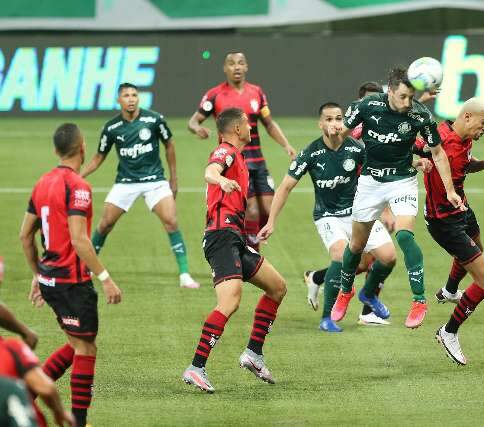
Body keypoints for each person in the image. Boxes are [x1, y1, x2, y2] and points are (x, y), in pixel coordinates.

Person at [332, 67, 463, 329]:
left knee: (404, 235)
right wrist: (338, 131)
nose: (406, 103)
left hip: (402, 181)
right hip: (370, 182)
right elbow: (341, 135)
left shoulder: (419, 114)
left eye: (411, 97)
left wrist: (450, 190)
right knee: (356, 246)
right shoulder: (368, 106)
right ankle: (345, 292)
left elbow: (437, 153)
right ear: (389, 91)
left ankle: (419, 301)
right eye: (402, 96)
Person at [258, 102, 397, 332]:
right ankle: (327, 318)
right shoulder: (310, 153)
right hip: (328, 216)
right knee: (342, 257)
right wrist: (271, 221)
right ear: (320, 124)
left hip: (358, 213)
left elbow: (377, 177)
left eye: (339, 118)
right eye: (330, 119)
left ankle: (366, 293)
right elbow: (284, 187)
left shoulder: (356, 148)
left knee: (388, 257)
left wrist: (387, 210)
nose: (335, 124)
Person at [20, 123, 122, 426]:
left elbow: (25, 235)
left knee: (76, 341)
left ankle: (28, 393)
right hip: (71, 282)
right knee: (85, 347)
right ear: (83, 148)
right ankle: (79, 421)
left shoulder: (42, 182)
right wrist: (105, 278)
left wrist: (38, 274)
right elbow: (80, 240)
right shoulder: (78, 186)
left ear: (55, 150)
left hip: (51, 279)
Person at [182, 108, 287, 393]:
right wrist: (221, 180)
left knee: (277, 287)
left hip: (235, 238)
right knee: (229, 302)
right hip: (221, 238)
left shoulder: (239, 156)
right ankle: (196, 368)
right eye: (248, 123)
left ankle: (253, 354)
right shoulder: (225, 151)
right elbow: (210, 170)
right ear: (239, 128)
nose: (252, 127)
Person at [415, 98, 484, 365]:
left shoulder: (465, 140)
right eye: (483, 124)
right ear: (468, 117)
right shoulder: (437, 139)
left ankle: (449, 290)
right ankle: (448, 332)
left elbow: (465, 164)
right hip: (444, 222)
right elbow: (406, 148)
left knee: (478, 249)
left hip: (462, 210)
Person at [81, 83, 199, 289]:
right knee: (105, 224)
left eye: (134, 95)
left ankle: (185, 275)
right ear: (119, 100)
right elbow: (98, 158)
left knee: (171, 221)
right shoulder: (111, 128)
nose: (131, 99)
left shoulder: (154, 119)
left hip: (155, 181)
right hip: (125, 183)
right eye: (126, 95)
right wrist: (77, 176)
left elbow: (169, 144)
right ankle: (87, 269)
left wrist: (174, 179)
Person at [188, 52, 296, 251]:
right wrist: (197, 128)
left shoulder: (256, 92)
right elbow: (193, 120)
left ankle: (248, 245)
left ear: (246, 67)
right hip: (234, 161)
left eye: (240, 63)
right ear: (225, 68)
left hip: (258, 160)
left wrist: (286, 145)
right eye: (231, 63)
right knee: (251, 212)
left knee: (268, 209)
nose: (236, 67)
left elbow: (269, 123)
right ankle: (251, 255)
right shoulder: (215, 94)